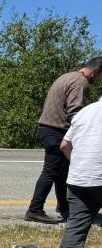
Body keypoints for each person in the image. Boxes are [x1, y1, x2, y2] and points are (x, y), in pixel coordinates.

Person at [25, 58, 102, 224]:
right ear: (95, 71)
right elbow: (75, 112)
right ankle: (34, 209)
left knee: (62, 173)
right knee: (51, 172)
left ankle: (65, 208)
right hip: (57, 131)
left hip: (46, 128)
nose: (98, 81)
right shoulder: (81, 83)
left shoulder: (66, 76)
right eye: (100, 77)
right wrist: (85, 133)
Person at [55, 98, 102, 248]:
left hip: (79, 179)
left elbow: (64, 145)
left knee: (76, 227)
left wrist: (79, 164)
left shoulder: (85, 112)